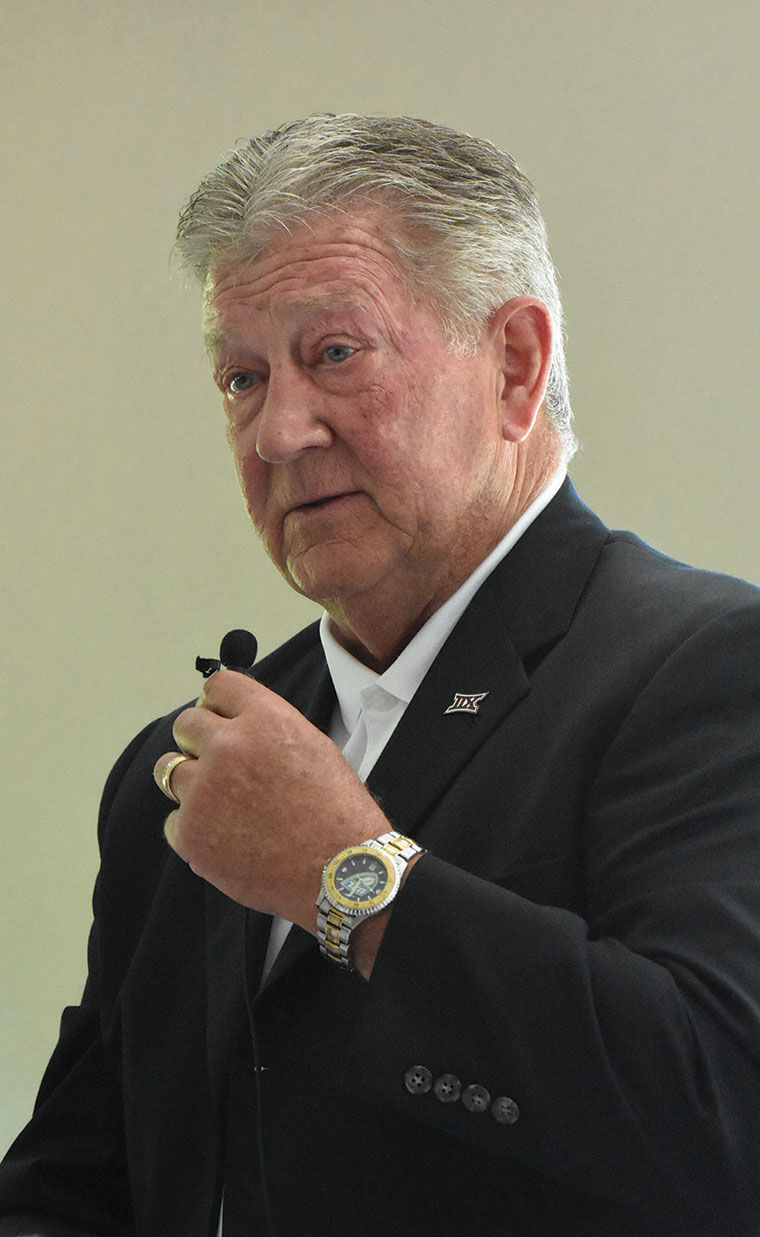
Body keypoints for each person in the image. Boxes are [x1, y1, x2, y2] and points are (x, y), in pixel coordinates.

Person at [1, 113, 760, 1237]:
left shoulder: (710, 669)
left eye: (335, 354)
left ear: (515, 365)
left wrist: (351, 880)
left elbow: (724, 1120)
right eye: (242, 377)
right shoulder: (182, 768)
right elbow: (78, 1185)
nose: (277, 432)